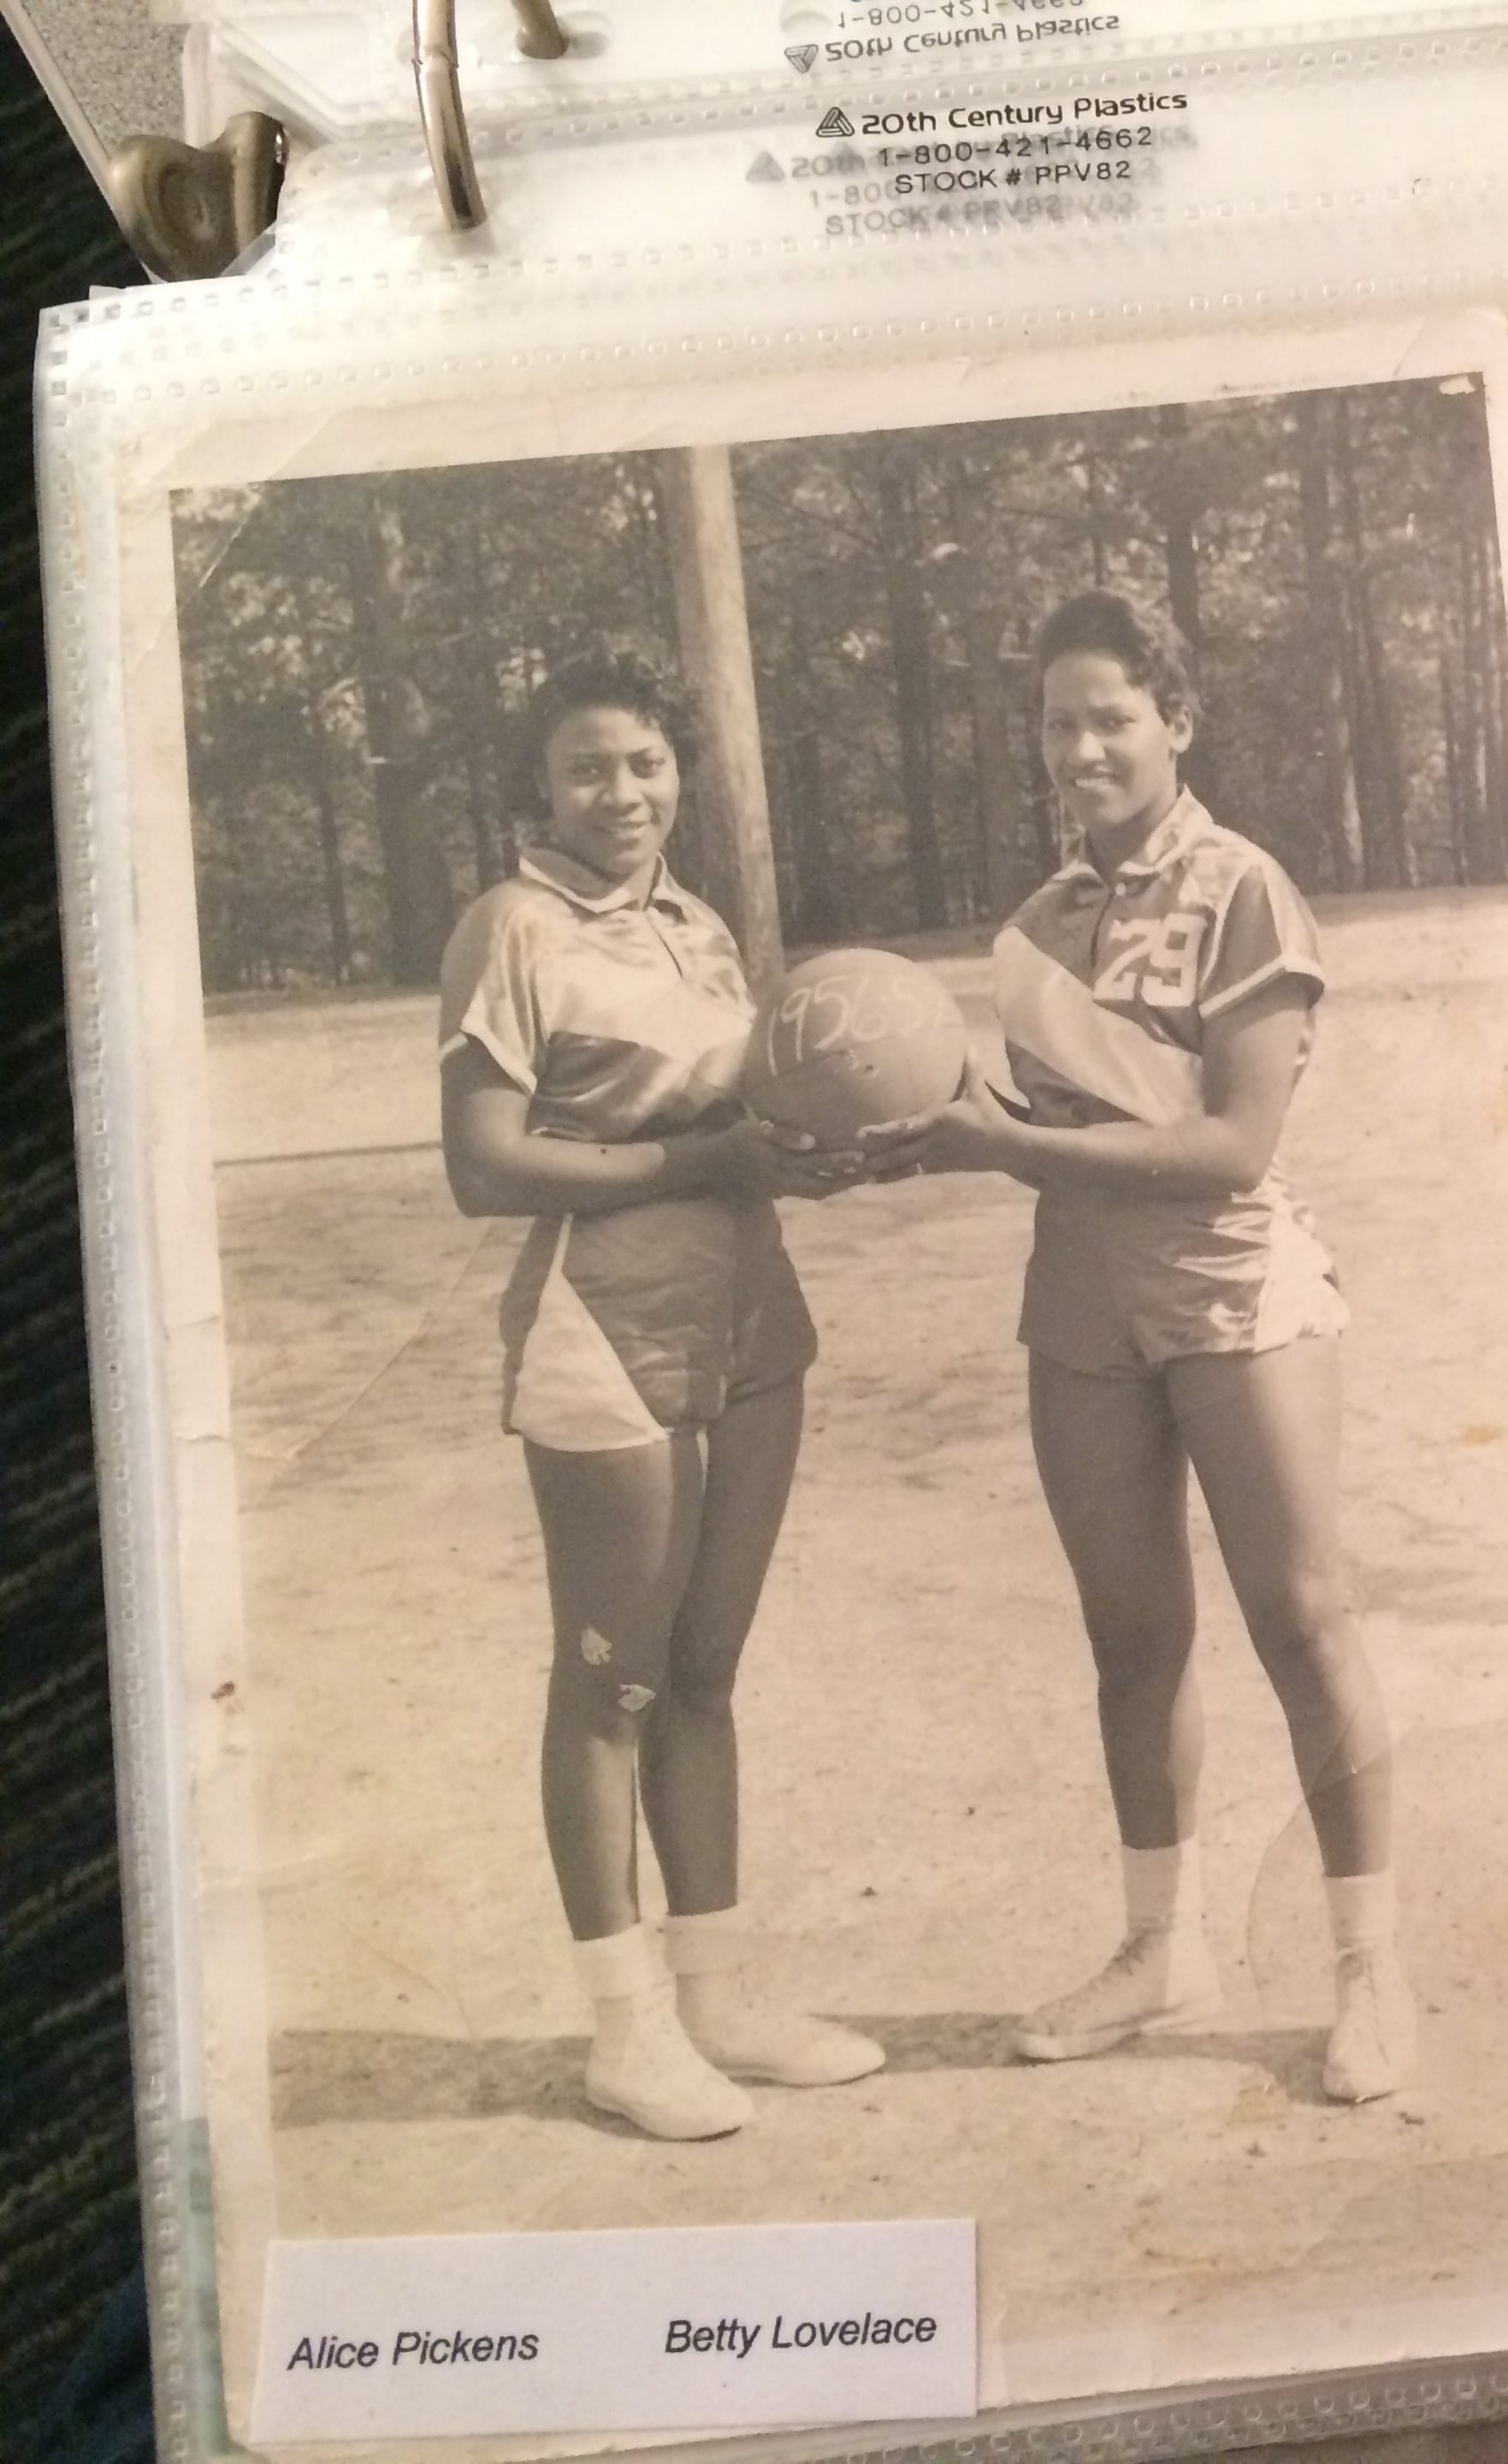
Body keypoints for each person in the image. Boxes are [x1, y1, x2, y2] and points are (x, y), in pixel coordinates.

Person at [868, 589, 1416, 2101]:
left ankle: (1370, 1972)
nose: (1085, 749)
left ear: (1177, 719)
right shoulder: (1034, 927)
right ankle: (1158, 1948)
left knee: (1303, 1619)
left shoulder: (1248, 892)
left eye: (1112, 717)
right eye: (1060, 724)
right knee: (1131, 1637)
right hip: (1079, 1304)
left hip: (1231, 1290)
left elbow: (1231, 1146)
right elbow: (1041, 1126)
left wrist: (1001, 1144)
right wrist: (904, 1121)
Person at [435, 648, 882, 2141]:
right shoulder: (511, 927)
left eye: (644, 763)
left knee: (703, 1669)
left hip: (750, 1317)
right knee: (610, 1685)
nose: (620, 793)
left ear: (679, 769)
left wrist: (818, 1140)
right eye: (586, 768)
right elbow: (483, 1164)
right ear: (540, 784)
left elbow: (742, 1114)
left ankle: (717, 2001)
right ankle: (625, 2035)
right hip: (603, 1327)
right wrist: (705, 1159)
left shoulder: (697, 924)